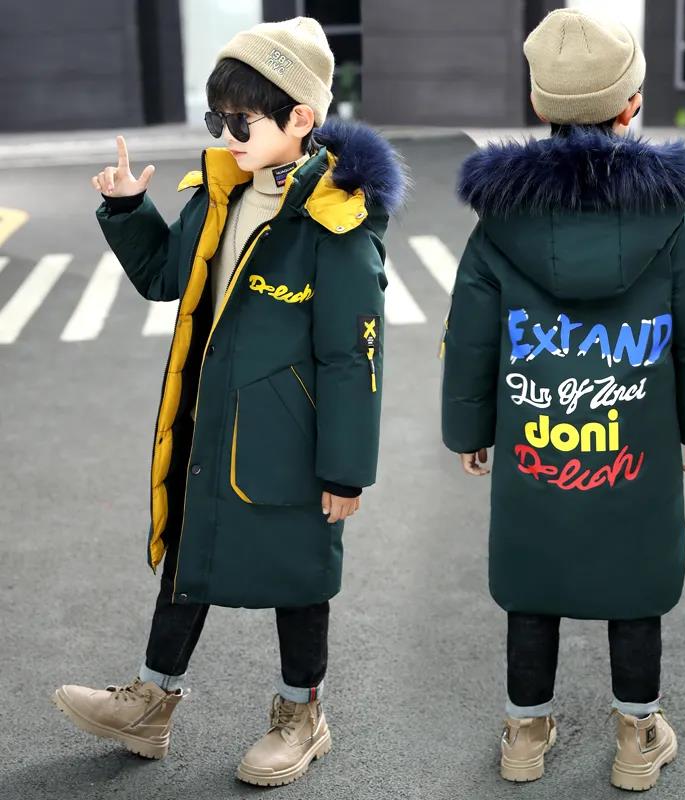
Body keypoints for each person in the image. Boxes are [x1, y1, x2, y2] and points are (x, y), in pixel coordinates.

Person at [51, 17, 407, 788]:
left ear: (301, 118)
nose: (227, 136)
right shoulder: (221, 192)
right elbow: (165, 277)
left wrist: (347, 469)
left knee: (300, 576)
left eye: (241, 122)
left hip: (295, 441)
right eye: (219, 120)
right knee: (189, 558)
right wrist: (128, 209)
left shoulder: (336, 221)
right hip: (211, 427)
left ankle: (301, 716)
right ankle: (151, 702)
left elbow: (354, 356)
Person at [440, 8, 685, 792]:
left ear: (540, 105)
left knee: (532, 579)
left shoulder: (499, 224)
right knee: (636, 581)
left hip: (537, 449)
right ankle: (638, 736)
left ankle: (523, 733)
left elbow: (472, 339)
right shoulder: (670, 221)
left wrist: (469, 428)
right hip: (635, 450)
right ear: (631, 106)